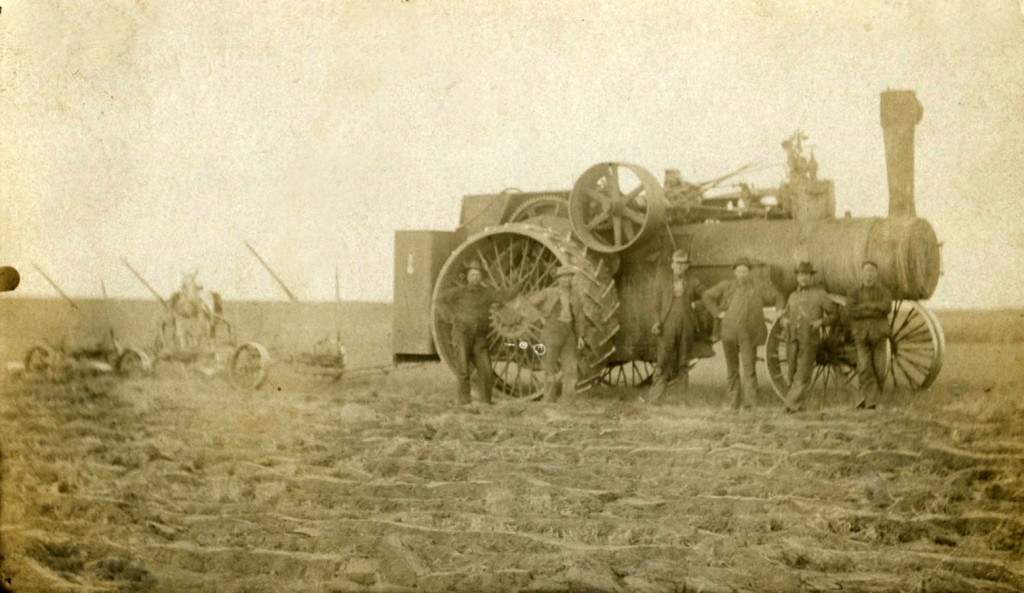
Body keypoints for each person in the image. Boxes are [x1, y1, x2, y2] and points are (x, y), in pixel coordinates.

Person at [437, 259, 526, 405]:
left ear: (481, 278)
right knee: (463, 368)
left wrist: (521, 282)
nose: (475, 278)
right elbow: (439, 301)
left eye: (477, 275)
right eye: (472, 275)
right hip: (462, 333)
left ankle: (485, 402)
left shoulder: (487, 293)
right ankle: (464, 401)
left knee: (485, 368)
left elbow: (504, 295)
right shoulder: (458, 292)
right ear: (467, 277)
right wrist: (451, 317)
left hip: (480, 336)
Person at [702, 257, 786, 411]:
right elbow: (707, 296)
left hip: (748, 335)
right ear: (734, 272)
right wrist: (717, 313)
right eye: (739, 270)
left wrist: (779, 312)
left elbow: (778, 296)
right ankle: (734, 404)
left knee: (749, 369)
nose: (742, 274)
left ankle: (750, 405)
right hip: (729, 334)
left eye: (745, 270)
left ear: (749, 272)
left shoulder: (759, 286)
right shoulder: (726, 286)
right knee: (732, 370)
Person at [648, 250, 705, 404]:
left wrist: (697, 304)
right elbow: (655, 305)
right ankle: (654, 399)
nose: (679, 266)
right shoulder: (662, 283)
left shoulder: (694, 282)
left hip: (687, 325)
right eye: (677, 263)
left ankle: (682, 400)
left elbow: (706, 297)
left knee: (683, 362)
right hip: (667, 325)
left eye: (683, 263)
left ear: (687, 266)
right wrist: (656, 322)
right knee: (663, 361)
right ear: (672, 265)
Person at [780, 262, 837, 413]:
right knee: (792, 372)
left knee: (803, 373)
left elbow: (834, 314)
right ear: (797, 277)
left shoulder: (820, 295)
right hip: (792, 339)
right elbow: (785, 314)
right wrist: (784, 320)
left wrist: (821, 322)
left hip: (809, 339)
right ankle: (798, 405)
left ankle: (791, 406)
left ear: (812, 277)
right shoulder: (792, 296)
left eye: (807, 275)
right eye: (801, 275)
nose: (804, 278)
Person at [526, 265, 586, 403]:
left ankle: (568, 402)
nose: (567, 279)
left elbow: (580, 317)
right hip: (551, 333)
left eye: (569, 276)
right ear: (558, 279)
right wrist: (539, 317)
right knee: (549, 368)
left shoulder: (575, 296)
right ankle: (549, 401)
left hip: (569, 334)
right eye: (563, 277)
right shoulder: (549, 293)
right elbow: (529, 303)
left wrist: (580, 336)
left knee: (570, 368)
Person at [846, 261, 893, 409]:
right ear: (862, 273)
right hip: (861, 335)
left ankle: (869, 399)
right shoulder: (853, 292)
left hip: (879, 333)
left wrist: (865, 307)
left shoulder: (884, 291)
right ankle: (871, 402)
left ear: (876, 273)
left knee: (879, 369)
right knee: (865, 366)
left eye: (872, 271)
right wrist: (874, 309)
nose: (869, 274)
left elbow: (886, 307)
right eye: (866, 271)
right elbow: (851, 310)